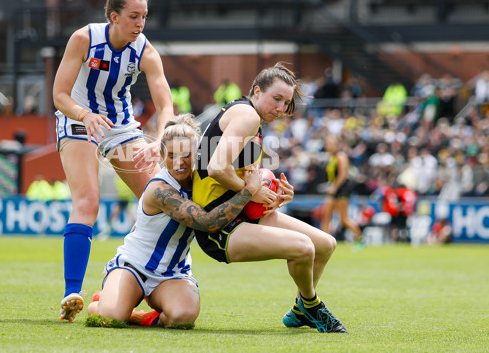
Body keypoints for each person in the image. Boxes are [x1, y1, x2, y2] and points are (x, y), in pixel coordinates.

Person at [52, 0, 175, 322]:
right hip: (77, 118)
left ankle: (130, 279)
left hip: (120, 127)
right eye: (134, 17)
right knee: (88, 201)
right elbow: (59, 95)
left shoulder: (146, 51)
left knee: (162, 199)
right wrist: (84, 114)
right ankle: (71, 293)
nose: (140, 23)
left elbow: (166, 106)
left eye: (144, 17)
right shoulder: (83, 39)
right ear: (114, 17)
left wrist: (160, 141)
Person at [192, 62, 347, 333]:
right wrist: (254, 191)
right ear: (256, 90)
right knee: (304, 248)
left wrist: (273, 193)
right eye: (276, 99)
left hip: (241, 211)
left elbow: (247, 176)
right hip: (218, 224)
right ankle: (312, 306)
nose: (281, 108)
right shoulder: (247, 116)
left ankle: (301, 309)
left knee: (325, 244)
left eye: (286, 103)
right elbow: (217, 168)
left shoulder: (250, 117)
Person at [85, 114, 263, 328]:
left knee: (182, 317)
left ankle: (138, 315)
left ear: (197, 154)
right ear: (161, 154)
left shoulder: (206, 180)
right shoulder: (159, 189)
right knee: (110, 317)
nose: (179, 163)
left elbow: (248, 187)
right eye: (171, 156)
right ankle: (103, 302)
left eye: (186, 155)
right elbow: (207, 222)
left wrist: (276, 194)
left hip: (173, 273)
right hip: (134, 266)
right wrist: (250, 190)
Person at [319, 134, 363, 243]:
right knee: (325, 217)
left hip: (342, 190)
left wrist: (334, 187)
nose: (329, 146)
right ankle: (324, 243)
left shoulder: (341, 156)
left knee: (344, 219)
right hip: (333, 191)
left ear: (337, 144)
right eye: (328, 143)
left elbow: (343, 174)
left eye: (331, 143)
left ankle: (359, 239)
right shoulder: (331, 157)